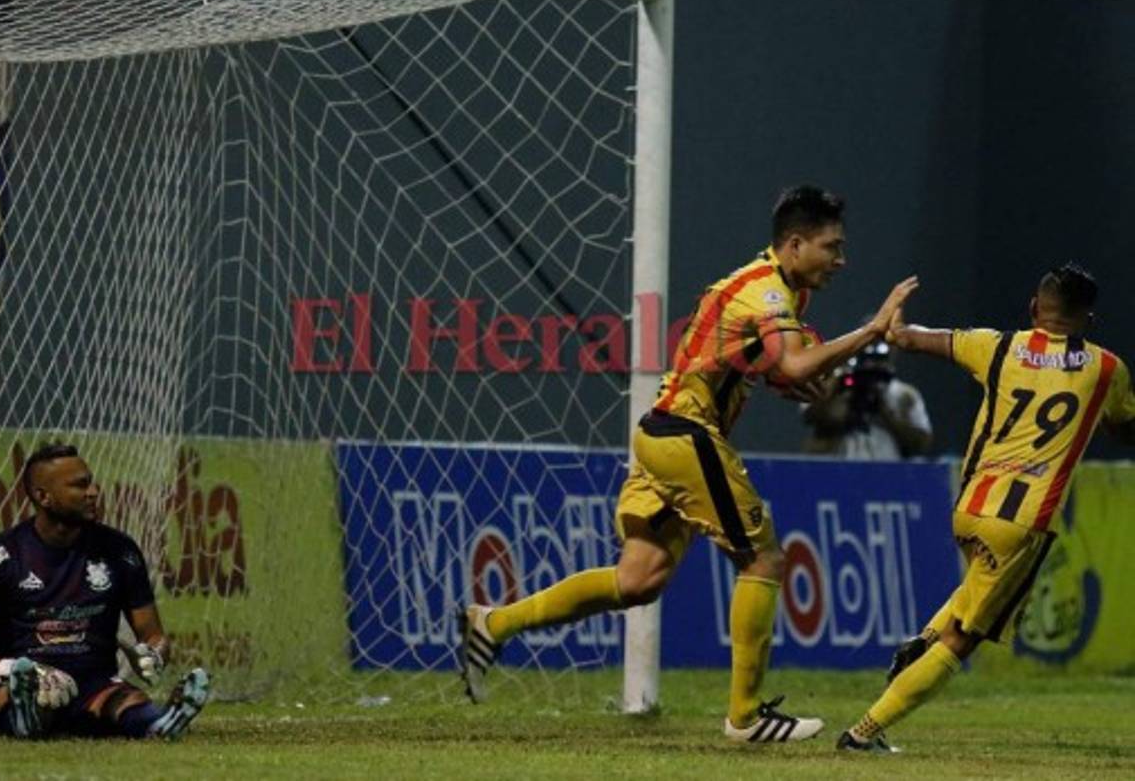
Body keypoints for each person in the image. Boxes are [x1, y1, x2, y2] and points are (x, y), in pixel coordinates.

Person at [459, 185, 918, 743]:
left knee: (638, 581)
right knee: (765, 561)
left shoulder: (779, 291)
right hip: (686, 435)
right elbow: (796, 365)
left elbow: (772, 365)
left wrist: (785, 376)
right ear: (795, 245)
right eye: (832, 247)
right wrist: (869, 332)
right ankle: (745, 717)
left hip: (664, 433)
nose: (841, 261)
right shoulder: (766, 292)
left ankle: (491, 623)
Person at [837, 263, 1135, 753]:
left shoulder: (995, 346)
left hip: (970, 506)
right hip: (1023, 522)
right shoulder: (1106, 369)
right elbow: (1126, 426)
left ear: (1035, 308)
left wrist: (892, 317)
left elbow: (909, 339)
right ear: (1087, 319)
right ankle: (863, 732)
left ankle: (922, 640)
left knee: (974, 589)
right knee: (964, 640)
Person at [0, 443, 211, 740]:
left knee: (130, 701)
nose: (93, 492)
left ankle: (162, 723)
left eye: (90, 482)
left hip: (97, 684)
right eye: (80, 485)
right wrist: (24, 672)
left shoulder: (120, 551)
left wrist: (153, 654)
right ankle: (28, 717)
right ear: (42, 496)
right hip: (28, 683)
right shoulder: (2, 557)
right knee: (18, 697)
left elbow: (153, 634)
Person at [802, 339, 933, 459]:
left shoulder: (905, 394)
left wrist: (885, 410)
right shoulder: (837, 385)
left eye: (877, 359)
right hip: (839, 468)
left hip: (888, 471)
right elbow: (809, 416)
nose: (870, 365)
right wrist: (836, 387)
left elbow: (922, 443)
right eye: (867, 358)